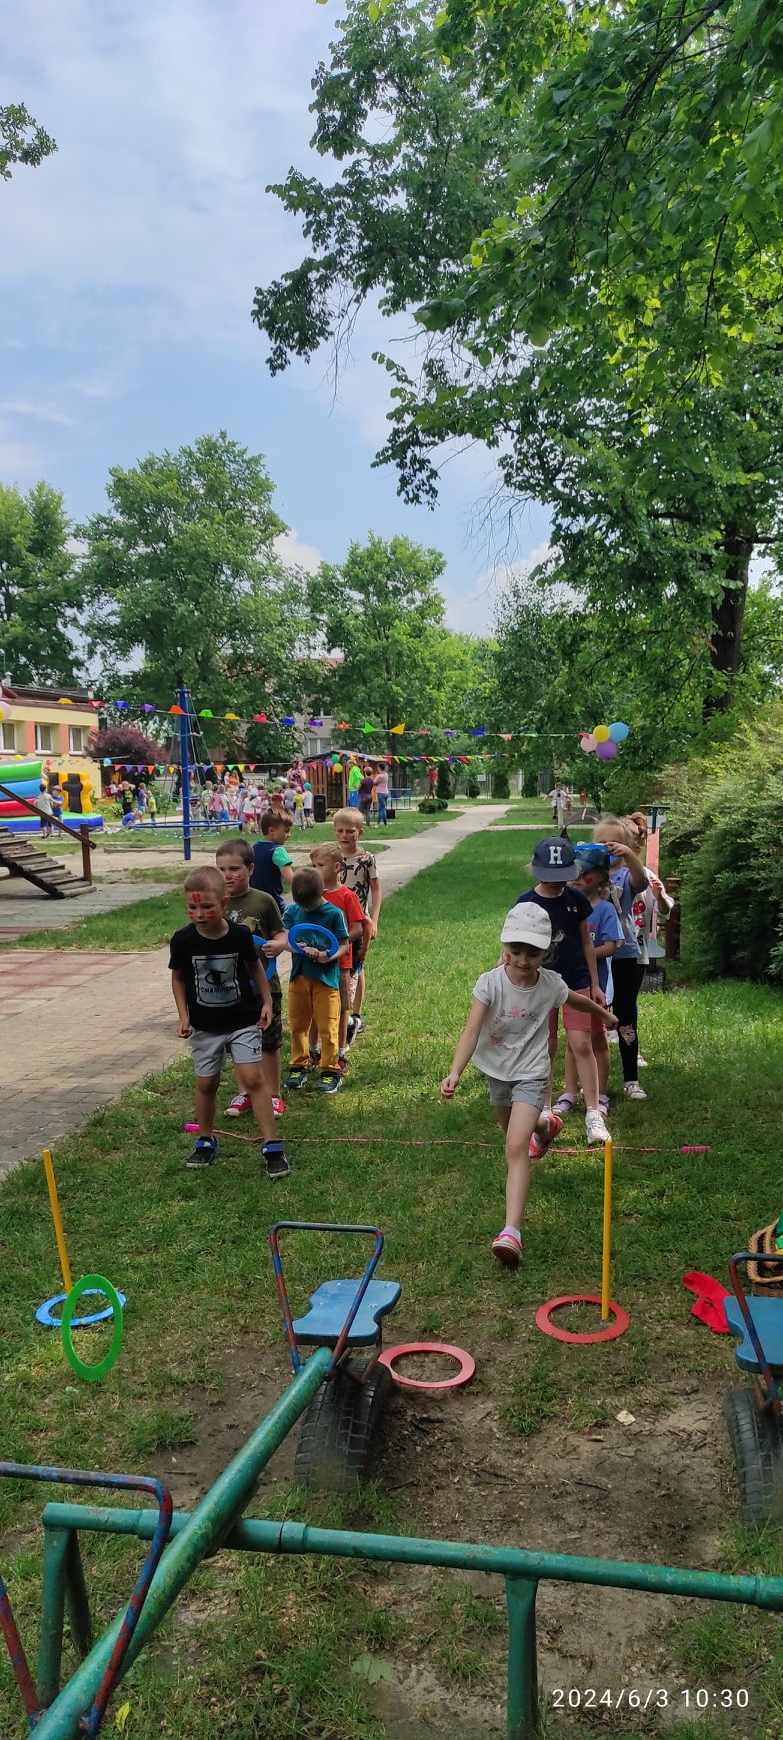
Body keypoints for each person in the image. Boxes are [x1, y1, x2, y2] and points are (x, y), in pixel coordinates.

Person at [441, 904, 618, 1268]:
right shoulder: (490, 983)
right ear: (505, 946)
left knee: (515, 1147)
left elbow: (579, 1001)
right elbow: (471, 1030)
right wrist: (455, 1072)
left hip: (533, 1073)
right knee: (510, 1127)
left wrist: (604, 1014)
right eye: (516, 950)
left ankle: (511, 1232)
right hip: (497, 1071)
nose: (523, 960)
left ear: (545, 952)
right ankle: (545, 1123)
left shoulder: (550, 985)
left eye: (532, 953)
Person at [169, 866, 289, 1177]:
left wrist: (266, 1001)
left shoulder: (239, 936)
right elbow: (178, 978)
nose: (199, 914)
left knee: (253, 1079)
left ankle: (272, 1145)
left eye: (207, 906)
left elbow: (256, 969)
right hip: (205, 1025)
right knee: (206, 1083)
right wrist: (183, 1015)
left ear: (224, 903)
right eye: (192, 907)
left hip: (242, 1021)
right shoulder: (183, 940)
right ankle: (205, 1139)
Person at [516, 836, 610, 1145]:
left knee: (581, 1043)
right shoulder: (526, 903)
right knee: (545, 1045)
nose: (556, 883)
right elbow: (513, 947)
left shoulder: (577, 900)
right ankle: (543, 1110)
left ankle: (593, 1113)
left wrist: (595, 984)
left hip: (576, 981)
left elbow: (586, 943)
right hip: (539, 983)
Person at [216, 838, 288, 1120]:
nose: (227, 875)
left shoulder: (263, 900)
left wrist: (278, 944)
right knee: (238, 1043)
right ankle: (245, 1092)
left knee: (268, 1042)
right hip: (229, 989)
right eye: (221, 869)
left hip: (264, 987)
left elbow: (281, 933)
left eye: (234, 869)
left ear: (251, 868)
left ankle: (273, 1094)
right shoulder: (215, 902)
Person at [561, 844, 624, 1117]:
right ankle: (569, 1091)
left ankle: (600, 1094)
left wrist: (584, 954)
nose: (576, 878)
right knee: (573, 1041)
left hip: (595, 985)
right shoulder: (567, 906)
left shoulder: (605, 909)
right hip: (570, 984)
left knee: (596, 1040)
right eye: (573, 872)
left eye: (583, 873)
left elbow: (613, 945)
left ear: (600, 877)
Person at [592, 816, 648, 1100]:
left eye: (614, 843)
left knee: (625, 1015)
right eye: (601, 842)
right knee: (591, 1019)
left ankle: (631, 1079)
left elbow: (642, 881)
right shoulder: (587, 875)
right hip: (593, 954)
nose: (608, 847)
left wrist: (629, 856)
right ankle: (591, 1079)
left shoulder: (626, 875)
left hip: (624, 955)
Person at [283, 866, 350, 1094]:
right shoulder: (293, 911)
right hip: (299, 978)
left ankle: (330, 1069)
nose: (306, 909)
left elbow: (344, 945)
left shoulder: (334, 914)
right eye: (302, 905)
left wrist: (328, 955)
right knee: (297, 1024)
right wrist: (298, 947)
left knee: (327, 1026)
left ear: (323, 892)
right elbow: (286, 938)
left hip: (326, 981)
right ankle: (299, 1064)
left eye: (309, 906)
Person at [310, 843, 370, 1063]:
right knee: (315, 1006)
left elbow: (357, 929)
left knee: (342, 1007)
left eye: (320, 865)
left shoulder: (347, 896)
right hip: (314, 963)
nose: (315, 870)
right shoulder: (312, 896)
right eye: (313, 866)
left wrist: (336, 943)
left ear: (336, 867)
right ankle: (313, 1049)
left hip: (341, 963)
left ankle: (341, 1049)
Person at [333, 807, 382, 1039]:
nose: (345, 835)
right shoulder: (332, 857)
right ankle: (337, 1011)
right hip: (335, 921)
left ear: (359, 832)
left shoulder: (366, 859)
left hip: (359, 921)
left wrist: (374, 919)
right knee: (339, 965)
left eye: (350, 831)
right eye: (340, 831)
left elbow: (376, 889)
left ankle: (356, 1013)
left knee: (357, 966)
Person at [251, 810, 294, 915]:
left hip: (254, 899)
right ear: (271, 830)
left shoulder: (254, 847)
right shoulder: (278, 851)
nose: (289, 835)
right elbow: (291, 879)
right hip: (273, 902)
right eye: (286, 831)